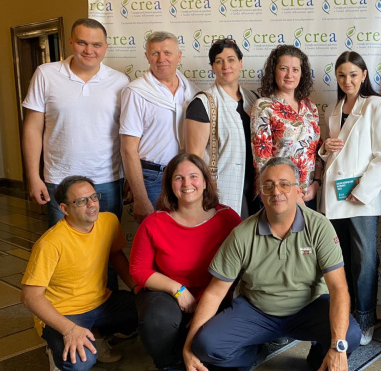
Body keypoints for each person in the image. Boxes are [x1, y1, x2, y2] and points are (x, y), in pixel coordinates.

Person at [182, 157, 361, 371]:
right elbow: (215, 293)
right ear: (260, 192)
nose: (276, 191)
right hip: (257, 311)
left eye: (284, 184)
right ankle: (248, 357)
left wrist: (338, 347)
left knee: (350, 335)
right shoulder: (242, 234)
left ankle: (321, 358)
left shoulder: (319, 227)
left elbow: (339, 289)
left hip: (308, 308)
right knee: (206, 345)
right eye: (268, 186)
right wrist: (189, 345)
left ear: (298, 190)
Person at [130, 153, 241, 371]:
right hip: (167, 297)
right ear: (170, 184)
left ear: (205, 181)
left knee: (225, 356)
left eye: (193, 176)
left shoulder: (228, 218)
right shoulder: (154, 222)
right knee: (158, 318)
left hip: (214, 296)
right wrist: (177, 289)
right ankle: (166, 367)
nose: (186, 183)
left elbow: (242, 265)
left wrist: (205, 307)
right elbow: (138, 270)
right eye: (178, 178)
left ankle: (188, 349)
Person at [21, 176, 137, 371]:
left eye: (94, 197)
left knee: (147, 307)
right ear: (65, 209)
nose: (91, 204)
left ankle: (95, 334)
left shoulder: (108, 221)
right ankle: (54, 348)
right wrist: (69, 329)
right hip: (65, 312)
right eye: (82, 201)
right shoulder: (50, 243)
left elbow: (116, 255)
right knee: (79, 364)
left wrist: (136, 287)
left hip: (101, 302)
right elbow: (30, 297)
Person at [22, 18, 129, 228]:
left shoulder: (120, 81)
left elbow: (127, 134)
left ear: (105, 47)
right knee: (64, 244)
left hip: (107, 180)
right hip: (60, 181)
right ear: (71, 42)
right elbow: (32, 129)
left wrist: (131, 179)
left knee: (107, 243)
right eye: (82, 43)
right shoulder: (46, 74)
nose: (89, 50)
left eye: (96, 44)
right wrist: (33, 177)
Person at [319, 51, 381, 346]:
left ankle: (365, 319)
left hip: (361, 197)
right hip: (335, 196)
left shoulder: (378, 105)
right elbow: (333, 153)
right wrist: (325, 148)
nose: (347, 80)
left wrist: (361, 190)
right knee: (341, 261)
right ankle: (345, 316)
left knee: (364, 261)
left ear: (364, 75)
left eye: (353, 74)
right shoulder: (333, 108)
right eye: (341, 75)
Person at [120, 31, 197, 223]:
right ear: (147, 57)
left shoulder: (192, 91)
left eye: (167, 53)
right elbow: (128, 149)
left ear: (179, 56)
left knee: (185, 234)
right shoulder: (136, 92)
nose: (161, 59)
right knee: (156, 236)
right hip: (152, 179)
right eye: (155, 53)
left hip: (186, 176)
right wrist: (140, 197)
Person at [185, 39, 260, 218]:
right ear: (212, 67)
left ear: (240, 63)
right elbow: (194, 159)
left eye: (231, 59)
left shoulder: (254, 99)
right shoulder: (203, 103)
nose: (226, 66)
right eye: (219, 61)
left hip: (255, 189)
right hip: (223, 190)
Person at [251, 45, 322, 210]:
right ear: (274, 71)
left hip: (308, 193)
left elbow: (316, 150)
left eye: (295, 69)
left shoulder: (310, 107)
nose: (290, 75)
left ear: (302, 74)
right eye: (283, 68)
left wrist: (316, 183)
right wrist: (291, 194)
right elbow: (262, 159)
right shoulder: (264, 106)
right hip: (277, 195)